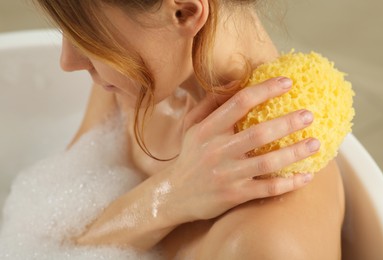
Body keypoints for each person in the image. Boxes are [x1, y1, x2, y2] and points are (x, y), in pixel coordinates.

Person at [34, 0, 345, 259]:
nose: (68, 60)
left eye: (83, 30)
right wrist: (169, 195)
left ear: (184, 12)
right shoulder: (134, 82)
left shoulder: (266, 242)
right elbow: (50, 239)